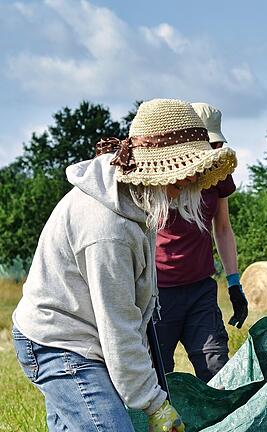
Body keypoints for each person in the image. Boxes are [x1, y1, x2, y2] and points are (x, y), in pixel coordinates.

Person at [12, 98, 237, 431]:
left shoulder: (133, 200)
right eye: (180, 179)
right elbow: (118, 328)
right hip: (59, 342)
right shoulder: (107, 229)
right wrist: (155, 405)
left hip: (86, 334)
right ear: (155, 170)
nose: (184, 189)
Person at [152, 102, 248, 383]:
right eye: (209, 143)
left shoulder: (218, 174)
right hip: (158, 293)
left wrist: (234, 283)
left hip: (200, 291)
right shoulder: (160, 174)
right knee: (157, 376)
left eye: (217, 144)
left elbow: (223, 228)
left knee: (216, 368)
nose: (215, 150)